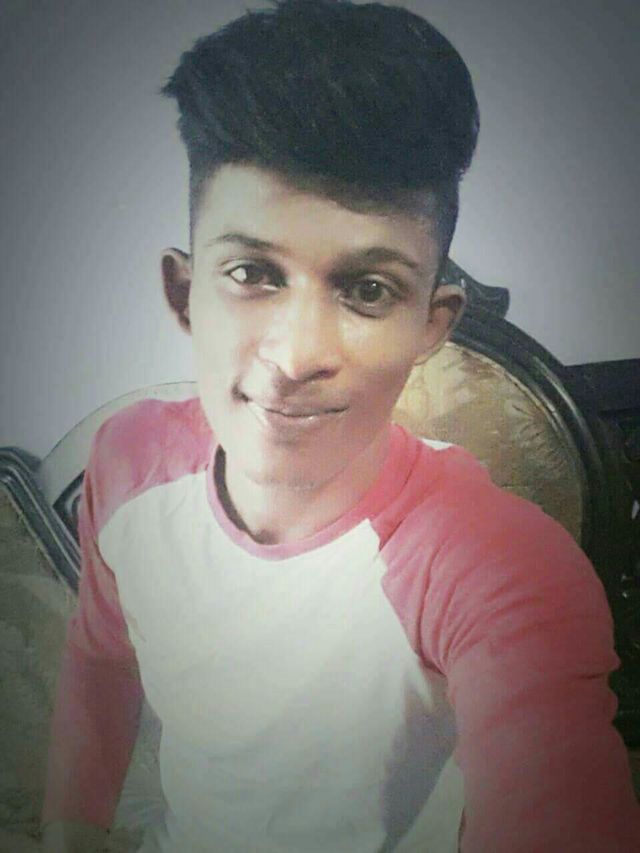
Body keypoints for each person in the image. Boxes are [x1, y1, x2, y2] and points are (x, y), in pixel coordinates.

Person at [41, 1, 640, 850]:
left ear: (432, 324)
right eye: (252, 272)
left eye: (367, 289)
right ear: (184, 293)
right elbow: (100, 659)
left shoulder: (501, 566)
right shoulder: (127, 459)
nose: (295, 355)